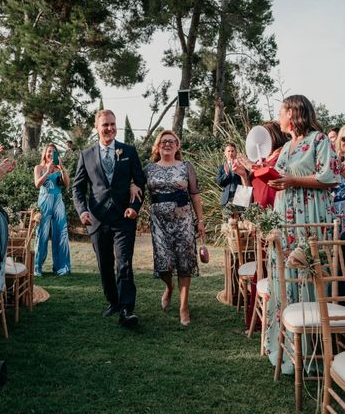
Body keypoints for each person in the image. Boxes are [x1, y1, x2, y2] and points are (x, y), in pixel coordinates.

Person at [264, 94, 340, 372]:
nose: (278, 116)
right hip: (286, 213)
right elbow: (279, 176)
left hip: (311, 214)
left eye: (281, 111)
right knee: (287, 273)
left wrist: (293, 180)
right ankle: (289, 350)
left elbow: (330, 177)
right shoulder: (285, 147)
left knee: (310, 272)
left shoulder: (319, 140)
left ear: (294, 114)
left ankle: (315, 352)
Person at [72, 109, 146, 327]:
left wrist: (134, 206)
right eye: (105, 125)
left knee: (124, 263)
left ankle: (126, 309)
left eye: (113, 124)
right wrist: (82, 211)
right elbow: (77, 189)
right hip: (97, 218)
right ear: (97, 127)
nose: (110, 128)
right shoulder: (85, 155)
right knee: (105, 265)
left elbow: (140, 182)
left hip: (124, 217)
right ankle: (113, 301)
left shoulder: (128, 151)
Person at [144, 130, 205, 326]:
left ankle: (184, 307)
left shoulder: (186, 166)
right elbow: (135, 184)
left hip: (184, 220)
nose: (167, 144)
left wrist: (201, 221)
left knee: (185, 262)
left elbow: (195, 194)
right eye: (163, 142)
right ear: (157, 146)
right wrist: (132, 187)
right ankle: (169, 288)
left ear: (177, 146)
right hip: (159, 222)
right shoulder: (149, 169)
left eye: (172, 141)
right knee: (164, 264)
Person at [34, 143, 71, 276]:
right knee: (41, 234)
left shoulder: (58, 169)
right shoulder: (39, 167)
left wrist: (62, 169)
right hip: (44, 202)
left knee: (61, 233)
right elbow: (37, 184)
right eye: (49, 152)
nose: (51, 154)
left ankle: (62, 267)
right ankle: (37, 267)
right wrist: (47, 171)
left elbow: (66, 185)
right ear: (44, 153)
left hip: (58, 202)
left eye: (53, 152)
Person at [237, 121, 289, 208]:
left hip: (276, 212)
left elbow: (280, 178)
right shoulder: (259, 161)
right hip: (257, 215)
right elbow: (243, 201)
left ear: (274, 136)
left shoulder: (283, 155)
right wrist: (243, 176)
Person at [215, 142, 249, 214]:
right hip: (227, 197)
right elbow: (218, 182)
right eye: (228, 151)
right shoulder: (221, 168)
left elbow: (247, 178)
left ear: (235, 152)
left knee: (242, 220)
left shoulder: (241, 165)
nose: (231, 153)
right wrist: (226, 174)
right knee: (228, 222)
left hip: (240, 195)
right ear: (225, 153)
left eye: (232, 151)